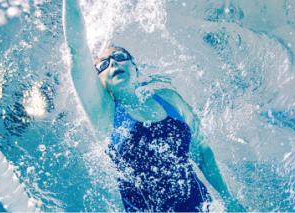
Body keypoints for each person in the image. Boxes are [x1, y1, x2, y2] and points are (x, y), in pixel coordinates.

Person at [63, 0, 245, 211]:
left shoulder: (170, 100)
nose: (112, 63)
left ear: (135, 66)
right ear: (100, 82)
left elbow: (202, 150)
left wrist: (229, 199)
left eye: (119, 57)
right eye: (103, 65)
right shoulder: (105, 115)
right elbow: (77, 54)